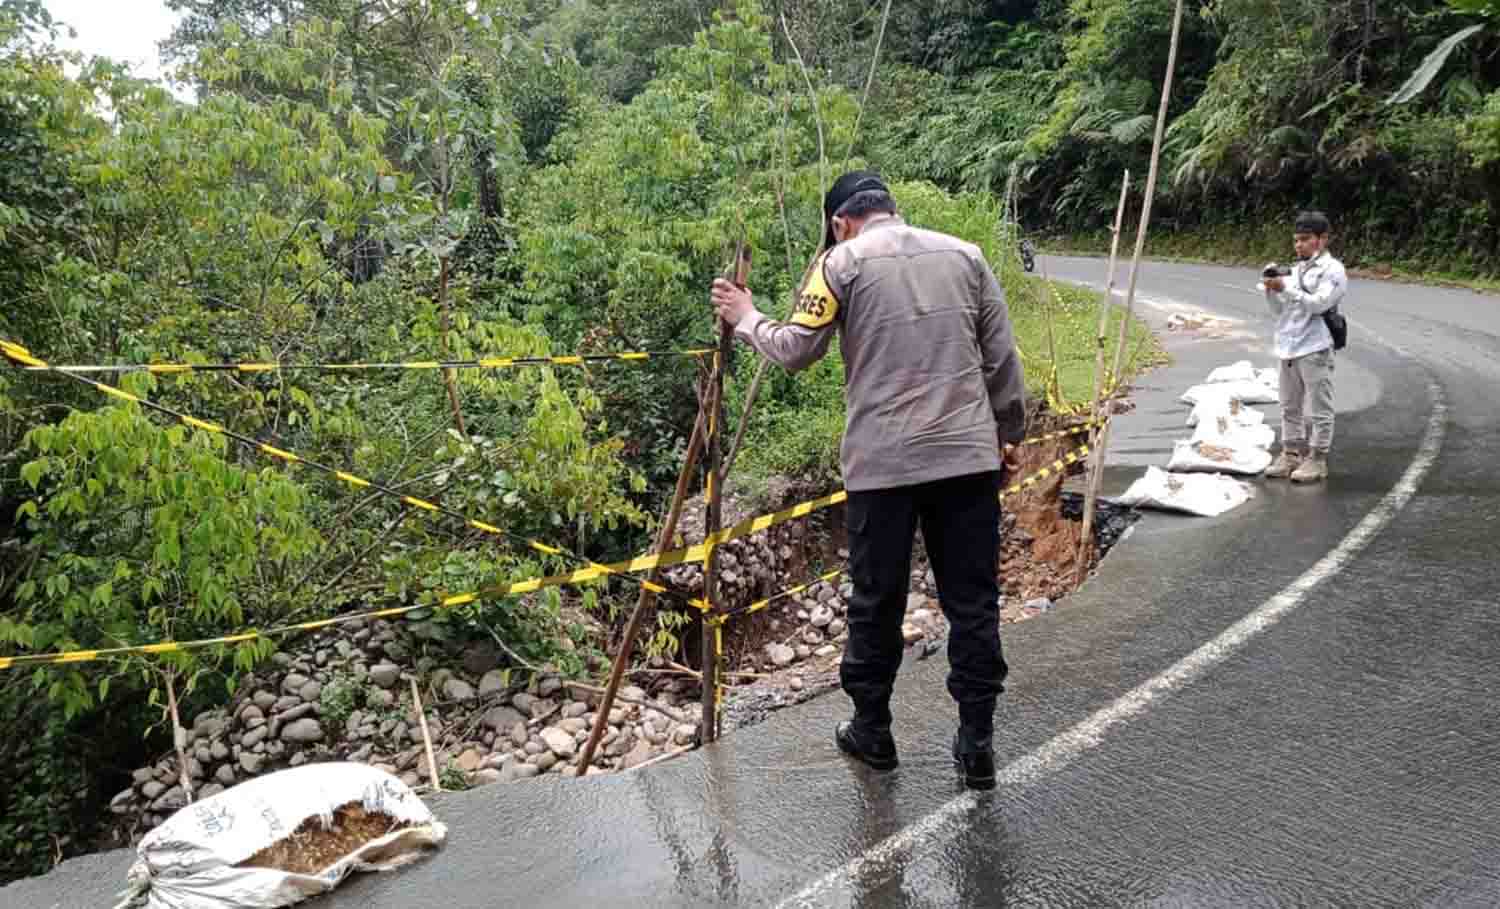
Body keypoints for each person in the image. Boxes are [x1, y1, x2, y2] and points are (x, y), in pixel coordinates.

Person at [708, 171, 1027, 790]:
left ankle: (873, 733)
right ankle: (977, 742)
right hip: (966, 460)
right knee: (973, 601)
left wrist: (747, 317)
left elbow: (797, 350)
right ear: (892, 211)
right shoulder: (968, 257)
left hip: (882, 468)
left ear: (839, 222)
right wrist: (1006, 435)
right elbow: (1001, 359)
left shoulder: (839, 264)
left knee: (876, 602)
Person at [1261, 211, 1347, 483]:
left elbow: (1319, 304)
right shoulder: (1294, 270)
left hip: (1315, 345)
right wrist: (1271, 289)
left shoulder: (1333, 270)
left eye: (1305, 239)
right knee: (1289, 405)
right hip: (1288, 344)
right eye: (1296, 240)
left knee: (1320, 407)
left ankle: (1318, 458)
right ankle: (1290, 453)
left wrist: (1285, 289)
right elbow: (1278, 311)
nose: (1299, 245)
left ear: (1321, 239)